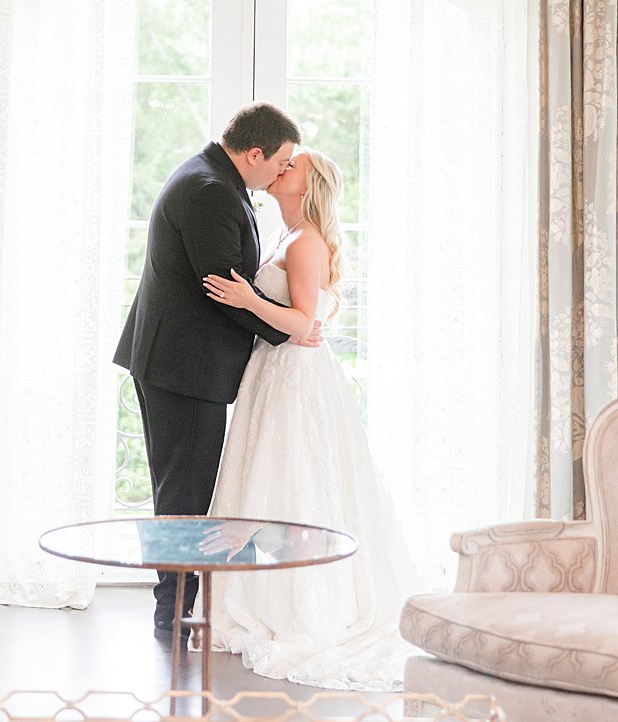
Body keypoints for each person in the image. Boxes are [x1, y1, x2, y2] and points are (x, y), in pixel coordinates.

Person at [200, 148, 422, 690]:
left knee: (296, 477)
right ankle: (255, 591)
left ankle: (301, 600)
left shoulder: (306, 243)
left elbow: (302, 324)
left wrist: (246, 300)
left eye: (291, 166)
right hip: (271, 373)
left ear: (308, 185)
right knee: (267, 476)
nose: (281, 169)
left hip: (296, 376)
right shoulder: (283, 236)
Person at [113, 102, 321, 641]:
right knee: (183, 493)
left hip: (180, 362)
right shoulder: (209, 191)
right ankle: (172, 609)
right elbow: (225, 292)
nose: (281, 170)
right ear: (253, 153)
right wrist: (291, 331)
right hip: (182, 367)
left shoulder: (212, 179)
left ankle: (176, 601)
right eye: (279, 161)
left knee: (183, 487)